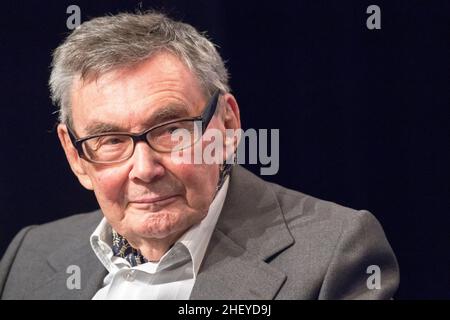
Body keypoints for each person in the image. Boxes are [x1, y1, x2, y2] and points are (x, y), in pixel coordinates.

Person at [0, 11, 399, 300]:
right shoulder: (29, 255)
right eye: (110, 140)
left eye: (172, 130)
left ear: (226, 125)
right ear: (75, 155)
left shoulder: (334, 255)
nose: (144, 169)